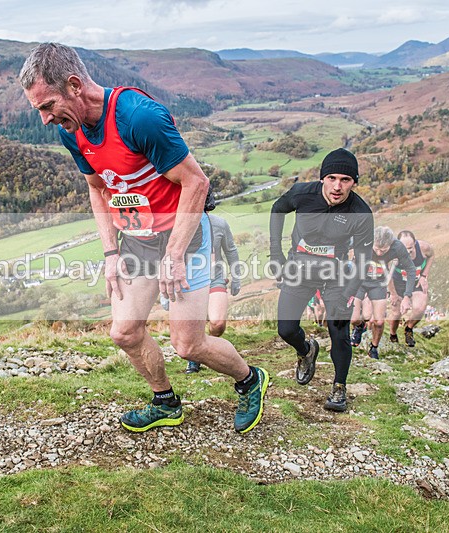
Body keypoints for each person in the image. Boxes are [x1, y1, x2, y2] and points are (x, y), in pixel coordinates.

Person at [19, 43, 268, 433]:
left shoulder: (138, 117)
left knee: (189, 345)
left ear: (73, 85)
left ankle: (250, 379)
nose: (47, 120)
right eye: (40, 111)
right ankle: (165, 401)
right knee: (125, 330)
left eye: (48, 106)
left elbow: (196, 182)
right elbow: (96, 188)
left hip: (183, 238)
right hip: (137, 242)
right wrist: (109, 252)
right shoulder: (73, 131)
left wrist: (175, 253)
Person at [269, 148, 374, 412]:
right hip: (299, 269)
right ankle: (306, 350)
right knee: (286, 329)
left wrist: (349, 293)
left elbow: (363, 257)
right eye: (331, 178)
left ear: (354, 182)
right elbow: (277, 210)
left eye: (345, 180)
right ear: (322, 178)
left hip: (336, 275)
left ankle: (339, 387)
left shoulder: (360, 213)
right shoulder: (302, 194)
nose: (337, 186)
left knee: (339, 332)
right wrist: (276, 254)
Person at [185, 213, 242, 374]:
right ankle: (195, 358)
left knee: (217, 323)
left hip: (215, 279)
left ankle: (206, 348)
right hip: (190, 283)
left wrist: (236, 277)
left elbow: (231, 250)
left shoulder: (219, 223)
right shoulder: (178, 221)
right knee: (195, 322)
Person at [350, 226, 414, 359]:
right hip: (358, 280)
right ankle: (359, 326)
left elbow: (411, 269)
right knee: (353, 318)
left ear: (391, 245)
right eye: (376, 249)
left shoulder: (398, 247)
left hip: (378, 283)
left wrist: (407, 295)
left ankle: (373, 348)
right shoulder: (363, 239)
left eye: (383, 250)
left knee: (379, 322)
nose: (379, 253)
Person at [387, 230, 434, 347]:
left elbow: (431, 255)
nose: (408, 251)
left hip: (416, 283)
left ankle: (409, 328)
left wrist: (424, 276)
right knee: (396, 314)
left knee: (419, 308)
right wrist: (392, 293)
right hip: (398, 284)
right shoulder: (391, 254)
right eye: (404, 248)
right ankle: (393, 334)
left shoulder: (424, 248)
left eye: (410, 248)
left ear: (415, 243)